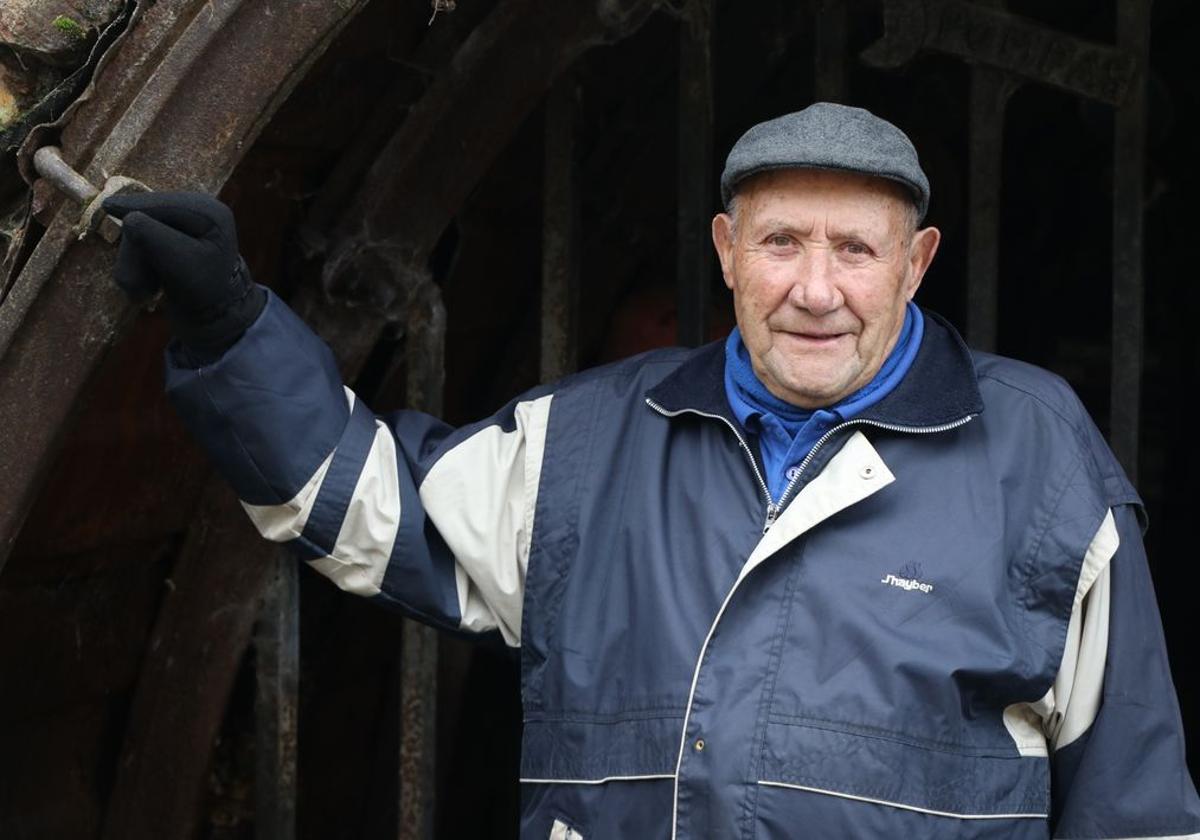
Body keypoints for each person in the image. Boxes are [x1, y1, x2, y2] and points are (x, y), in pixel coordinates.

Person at [105, 102, 1200, 839]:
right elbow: (375, 506)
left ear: (916, 263)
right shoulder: (592, 442)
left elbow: (1134, 806)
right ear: (726, 249)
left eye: (856, 251)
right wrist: (228, 322)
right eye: (780, 244)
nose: (815, 290)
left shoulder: (1037, 460)